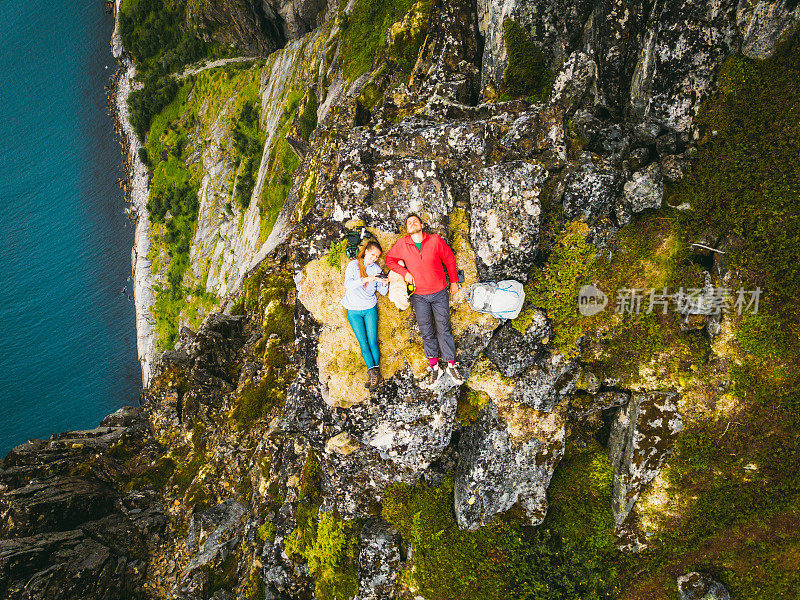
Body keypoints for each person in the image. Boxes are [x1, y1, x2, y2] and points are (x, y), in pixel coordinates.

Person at [385, 213, 464, 389]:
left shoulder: (435, 240)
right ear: (406, 229)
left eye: (415, 221)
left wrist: (454, 281)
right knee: (426, 330)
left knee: (444, 328)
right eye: (409, 223)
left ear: (421, 224)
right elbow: (389, 260)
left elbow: (449, 259)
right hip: (419, 296)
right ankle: (435, 367)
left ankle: (451, 365)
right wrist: (405, 273)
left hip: (439, 293)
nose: (412, 224)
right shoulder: (403, 244)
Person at [341, 240, 389, 389]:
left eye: (377, 256)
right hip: (353, 310)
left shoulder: (377, 269)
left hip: (369, 308)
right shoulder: (353, 265)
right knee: (363, 343)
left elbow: (383, 292)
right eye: (373, 254)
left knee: (373, 341)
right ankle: (375, 375)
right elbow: (348, 285)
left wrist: (384, 283)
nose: (374, 258)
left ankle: (375, 376)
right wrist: (368, 278)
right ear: (366, 251)